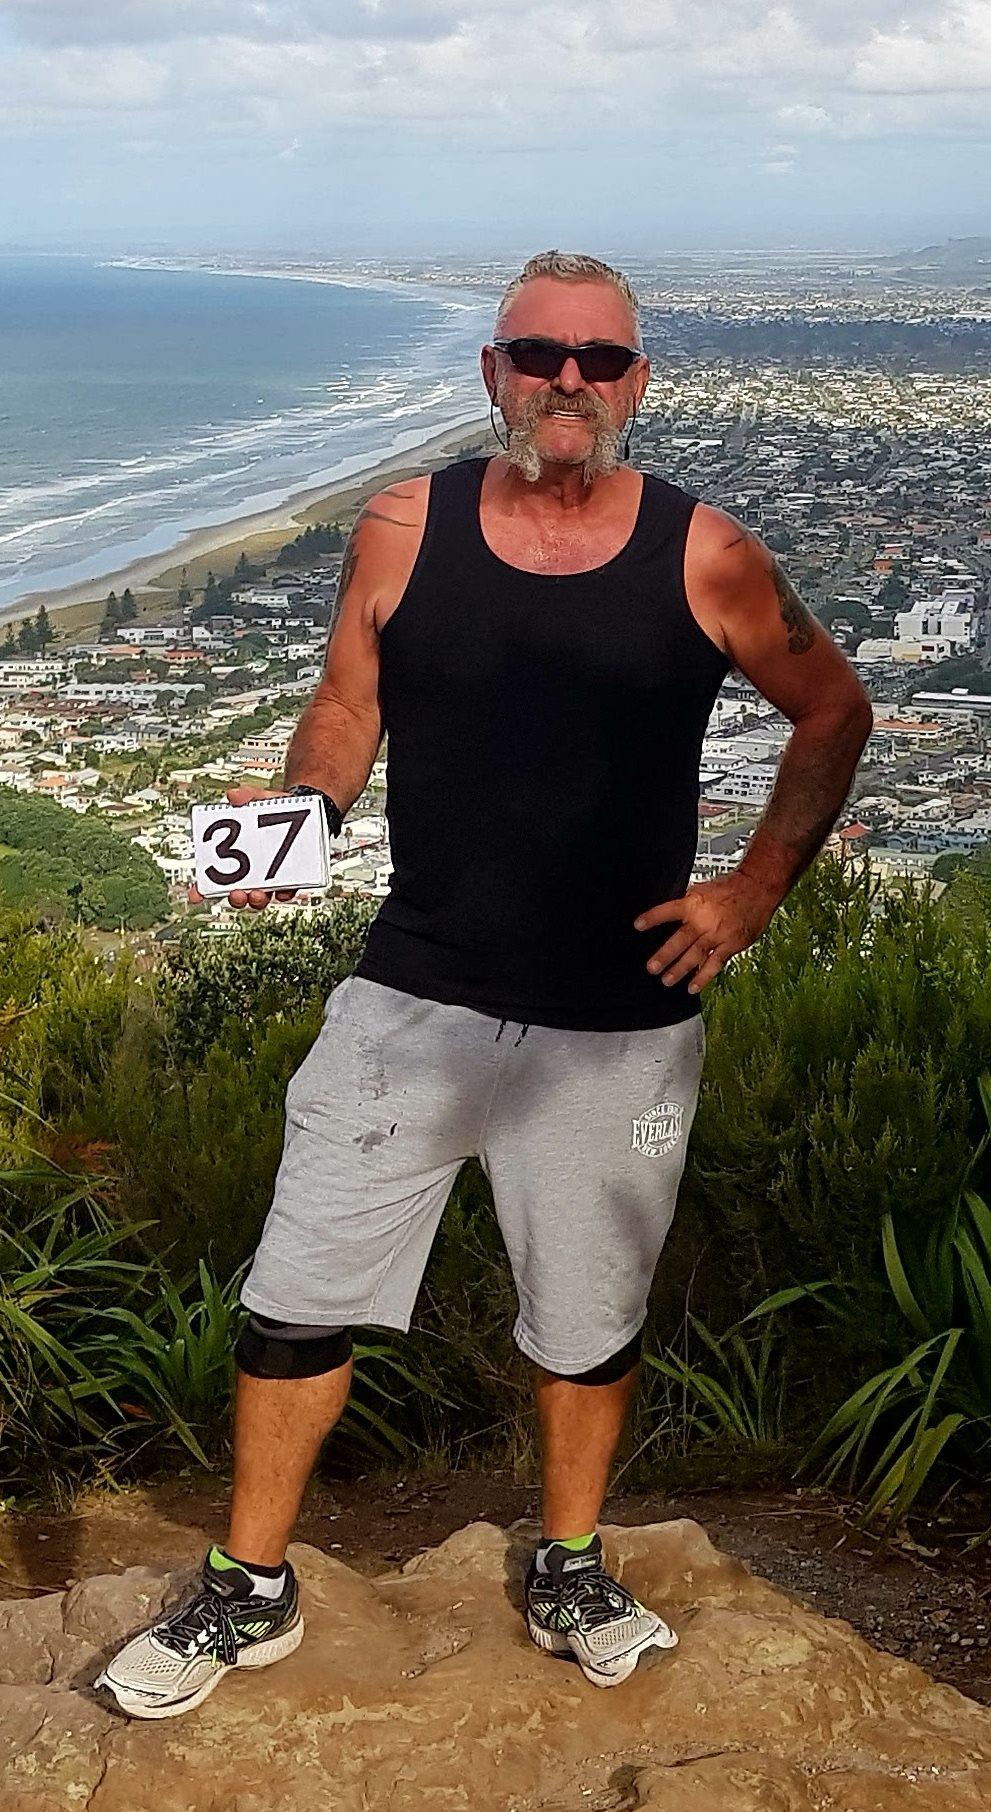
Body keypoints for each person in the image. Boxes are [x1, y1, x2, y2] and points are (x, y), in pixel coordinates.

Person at [96, 250, 872, 1718]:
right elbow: (348, 701)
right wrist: (304, 813)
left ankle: (569, 1567)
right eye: (539, 355)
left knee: (587, 1323)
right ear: (493, 372)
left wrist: (755, 891)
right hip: (417, 988)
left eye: (600, 360)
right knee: (294, 1297)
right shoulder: (404, 526)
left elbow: (834, 708)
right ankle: (250, 1586)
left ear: (637, 383)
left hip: (618, 1017)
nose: (568, 381)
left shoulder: (707, 555)